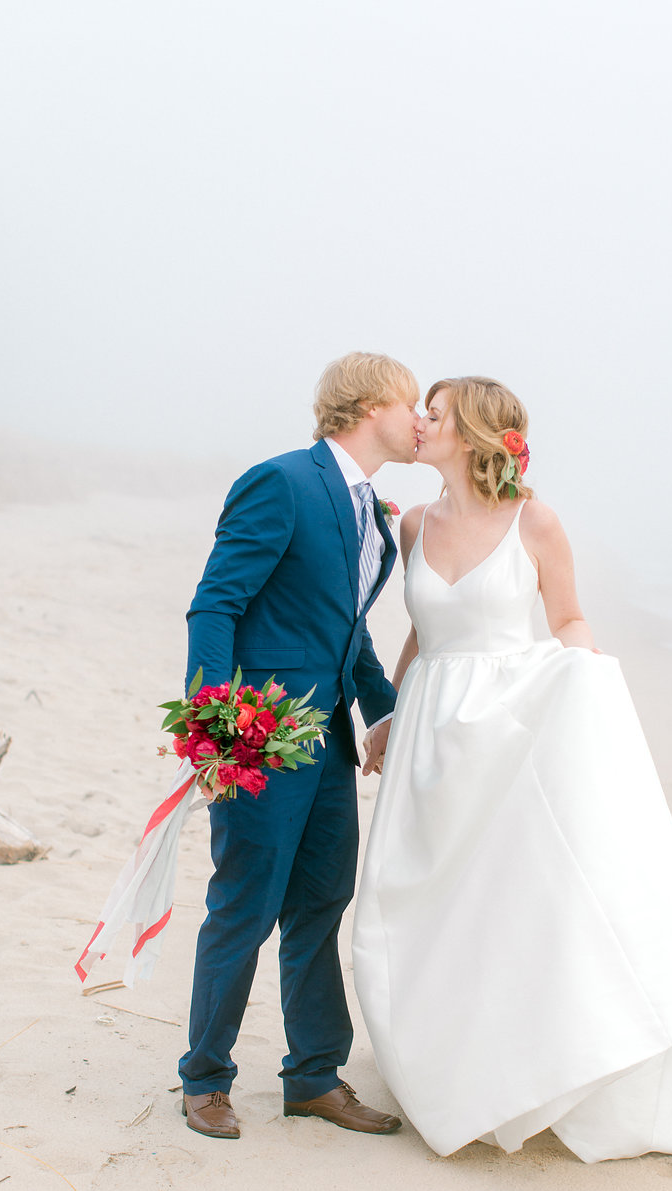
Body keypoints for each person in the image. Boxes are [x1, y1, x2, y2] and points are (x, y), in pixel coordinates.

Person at [352, 376, 672, 1163]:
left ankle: (538, 1069)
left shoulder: (534, 520)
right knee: (418, 903)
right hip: (431, 742)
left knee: (515, 902)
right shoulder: (413, 523)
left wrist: (590, 681)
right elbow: (422, 630)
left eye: (433, 415)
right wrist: (392, 713)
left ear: (471, 433)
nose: (419, 423)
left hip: (510, 733)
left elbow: (567, 616)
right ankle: (441, 1067)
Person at [178, 352, 417, 1139]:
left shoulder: (371, 509)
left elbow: (346, 632)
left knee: (321, 902)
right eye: (411, 402)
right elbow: (215, 604)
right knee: (243, 905)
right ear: (370, 402)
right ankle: (205, 1078)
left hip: (332, 748)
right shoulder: (281, 481)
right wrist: (214, 728)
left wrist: (386, 710)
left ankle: (313, 1076)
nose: (420, 420)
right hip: (264, 739)